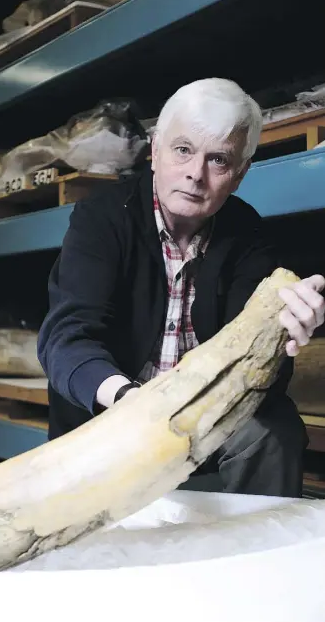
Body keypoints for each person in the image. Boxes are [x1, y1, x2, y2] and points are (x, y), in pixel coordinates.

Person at [37, 78, 325, 498]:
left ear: (241, 174)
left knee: (273, 432)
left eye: (219, 160)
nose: (196, 174)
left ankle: (254, 557)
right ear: (155, 151)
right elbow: (66, 337)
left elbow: (252, 369)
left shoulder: (250, 238)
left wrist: (282, 333)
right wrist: (127, 400)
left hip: (208, 417)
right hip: (115, 412)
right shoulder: (102, 219)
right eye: (183, 150)